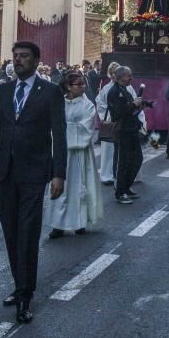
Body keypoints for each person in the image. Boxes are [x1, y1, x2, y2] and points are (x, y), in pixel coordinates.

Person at [0, 41, 66, 324]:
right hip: (5, 172)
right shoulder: (3, 91)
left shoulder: (49, 92)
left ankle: (26, 294)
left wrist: (58, 173)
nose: (18, 60)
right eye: (15, 57)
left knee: (27, 232)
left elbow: (59, 135)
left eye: (24, 56)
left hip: (35, 172)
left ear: (36, 60)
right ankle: (18, 283)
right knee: (11, 232)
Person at [48, 71, 103, 238]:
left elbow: (86, 127)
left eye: (83, 84)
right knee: (60, 187)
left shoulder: (88, 105)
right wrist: (63, 130)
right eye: (79, 84)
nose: (83, 87)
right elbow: (54, 125)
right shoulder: (59, 103)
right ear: (68, 87)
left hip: (80, 153)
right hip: (61, 153)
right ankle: (58, 224)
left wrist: (65, 128)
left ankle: (79, 222)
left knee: (79, 187)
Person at [107, 66, 146, 205]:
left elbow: (130, 109)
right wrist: (133, 105)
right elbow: (118, 113)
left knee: (137, 159)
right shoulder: (114, 91)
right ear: (121, 77)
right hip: (122, 131)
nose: (132, 78)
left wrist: (139, 106)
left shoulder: (126, 90)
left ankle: (126, 186)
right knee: (124, 162)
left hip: (131, 129)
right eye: (129, 75)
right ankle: (120, 191)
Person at [96, 62, 122, 186]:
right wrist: (106, 115)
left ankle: (121, 174)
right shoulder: (106, 88)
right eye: (111, 74)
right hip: (110, 122)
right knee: (108, 149)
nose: (113, 76)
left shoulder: (127, 87)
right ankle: (107, 175)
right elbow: (99, 102)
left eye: (115, 73)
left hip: (121, 121)